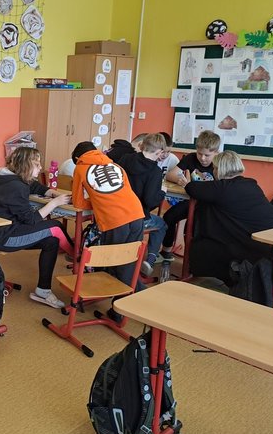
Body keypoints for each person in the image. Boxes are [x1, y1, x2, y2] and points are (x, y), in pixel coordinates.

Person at [0, 147, 74, 309]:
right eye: (37, 164)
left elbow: (34, 186)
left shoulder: (12, 179)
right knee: (55, 226)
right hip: (3, 238)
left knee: (51, 241)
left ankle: (43, 291)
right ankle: (78, 258)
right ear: (25, 166)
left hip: (6, 232)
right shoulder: (15, 187)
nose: (40, 167)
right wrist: (55, 203)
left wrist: (52, 193)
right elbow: (31, 220)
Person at [71, 141, 146, 323]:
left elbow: (78, 203)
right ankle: (123, 306)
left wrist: (97, 203)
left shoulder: (80, 168)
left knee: (116, 262)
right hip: (137, 213)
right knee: (129, 259)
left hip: (114, 220)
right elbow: (125, 192)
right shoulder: (116, 165)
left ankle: (134, 301)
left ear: (77, 158)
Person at [185, 151, 273, 285]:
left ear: (220, 169)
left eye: (214, 168)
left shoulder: (223, 188)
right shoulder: (251, 184)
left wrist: (187, 180)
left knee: (205, 246)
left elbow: (192, 188)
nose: (213, 171)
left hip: (255, 248)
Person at [160, 130, 220, 261]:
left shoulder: (220, 163)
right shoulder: (191, 158)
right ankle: (166, 252)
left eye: (207, 155)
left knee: (193, 227)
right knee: (169, 217)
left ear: (216, 152)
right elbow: (170, 175)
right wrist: (180, 180)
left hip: (210, 206)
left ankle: (193, 260)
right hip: (191, 201)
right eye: (200, 153)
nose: (202, 158)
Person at [117, 134, 168, 275]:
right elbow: (150, 201)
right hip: (137, 217)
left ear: (142, 146)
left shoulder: (125, 159)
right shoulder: (155, 171)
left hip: (118, 212)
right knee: (161, 224)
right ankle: (149, 261)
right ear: (159, 152)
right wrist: (162, 193)